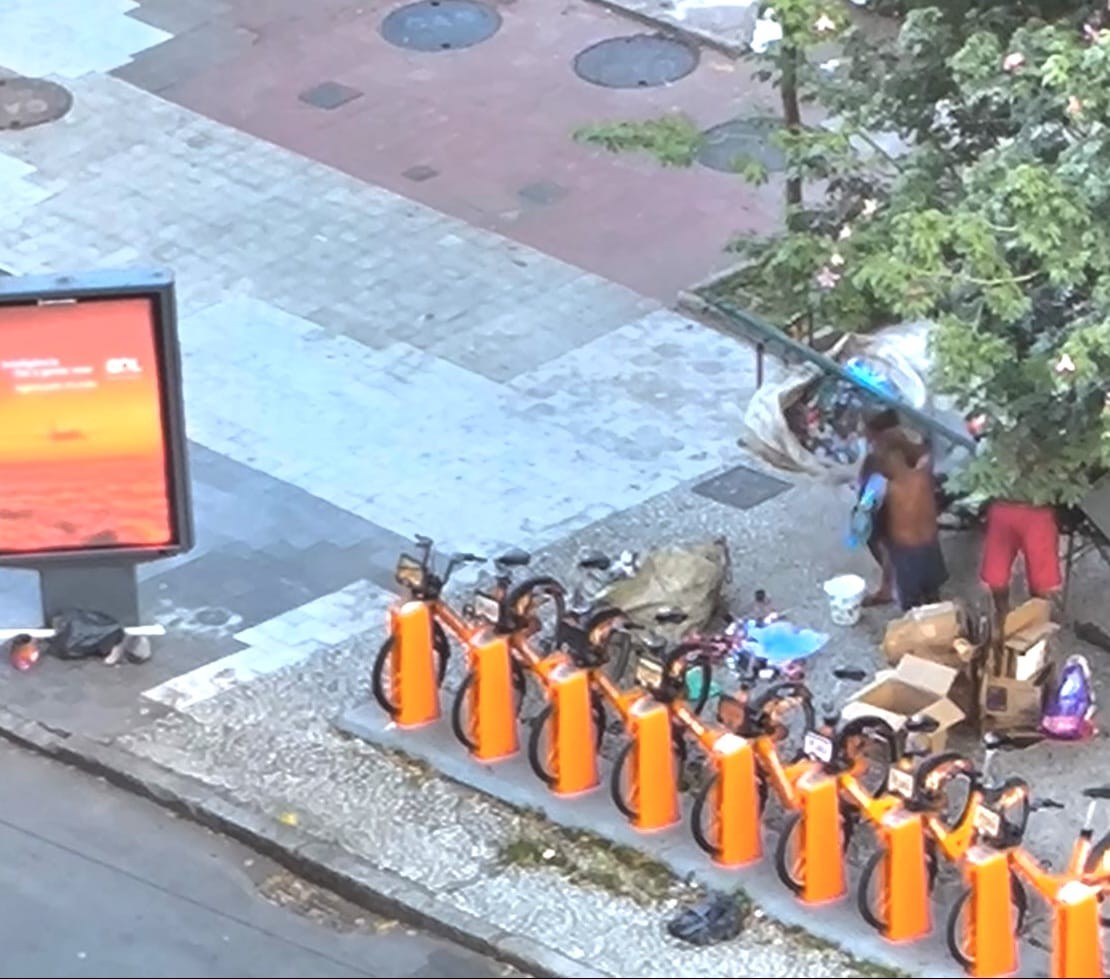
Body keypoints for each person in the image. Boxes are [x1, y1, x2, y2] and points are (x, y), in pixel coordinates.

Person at [856, 409, 929, 605]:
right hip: (889, 503)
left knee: (886, 547)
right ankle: (890, 584)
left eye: (867, 429)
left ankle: (892, 587)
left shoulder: (888, 450)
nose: (863, 432)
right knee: (885, 546)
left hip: (891, 507)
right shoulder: (897, 444)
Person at [873, 429, 947, 611]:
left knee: (911, 603)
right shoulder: (923, 475)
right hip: (930, 546)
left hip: (907, 552)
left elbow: (875, 525)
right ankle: (938, 619)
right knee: (933, 595)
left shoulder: (889, 490)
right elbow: (926, 453)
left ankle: (918, 627)